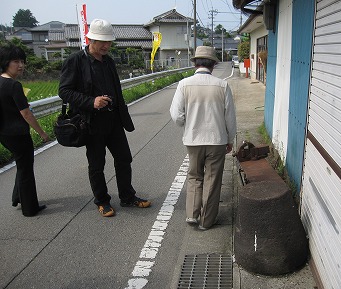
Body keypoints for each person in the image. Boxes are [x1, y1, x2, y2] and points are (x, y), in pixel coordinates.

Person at [58, 19, 150, 217]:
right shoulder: (75, 61)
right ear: (90, 39)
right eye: (102, 42)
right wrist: (92, 102)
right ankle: (102, 201)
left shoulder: (108, 61)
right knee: (97, 164)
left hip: (114, 120)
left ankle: (127, 197)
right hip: (92, 123)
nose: (106, 46)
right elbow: (64, 91)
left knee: (124, 158)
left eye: (109, 42)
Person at [170, 46, 237, 230]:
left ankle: (192, 214)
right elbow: (230, 117)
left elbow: (176, 115)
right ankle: (207, 221)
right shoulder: (222, 85)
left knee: (194, 176)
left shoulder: (184, 84)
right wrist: (230, 139)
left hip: (193, 140)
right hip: (217, 140)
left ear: (195, 64)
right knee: (212, 180)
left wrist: (187, 123)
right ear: (214, 65)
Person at [0, 43, 49, 217]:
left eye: (22, 61)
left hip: (4, 134)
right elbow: (26, 114)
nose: (20, 65)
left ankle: (18, 197)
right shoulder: (14, 85)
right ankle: (30, 208)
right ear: (6, 62)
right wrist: (42, 133)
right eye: (15, 61)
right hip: (18, 134)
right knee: (26, 169)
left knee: (21, 166)